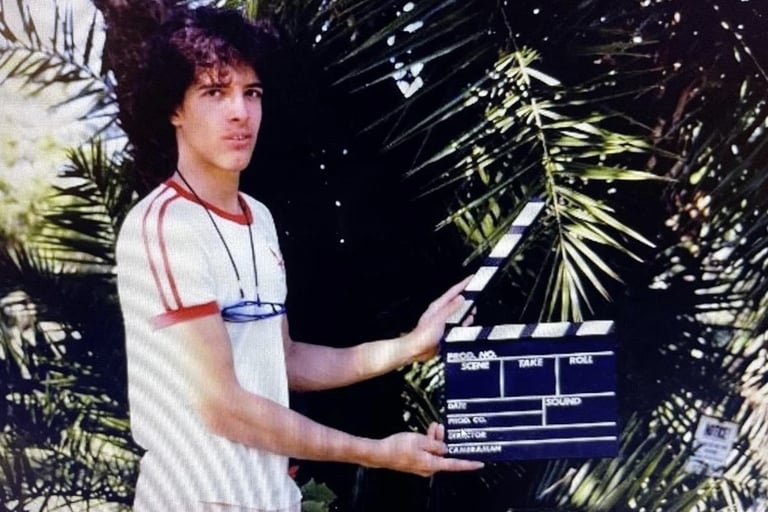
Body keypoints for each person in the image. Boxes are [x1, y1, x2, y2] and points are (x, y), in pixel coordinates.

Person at [115, 6, 482, 512]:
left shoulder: (258, 219)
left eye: (252, 93)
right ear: (174, 108)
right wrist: (377, 453)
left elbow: (284, 359)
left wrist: (409, 346)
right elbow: (224, 407)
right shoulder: (165, 226)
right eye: (215, 93)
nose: (240, 112)